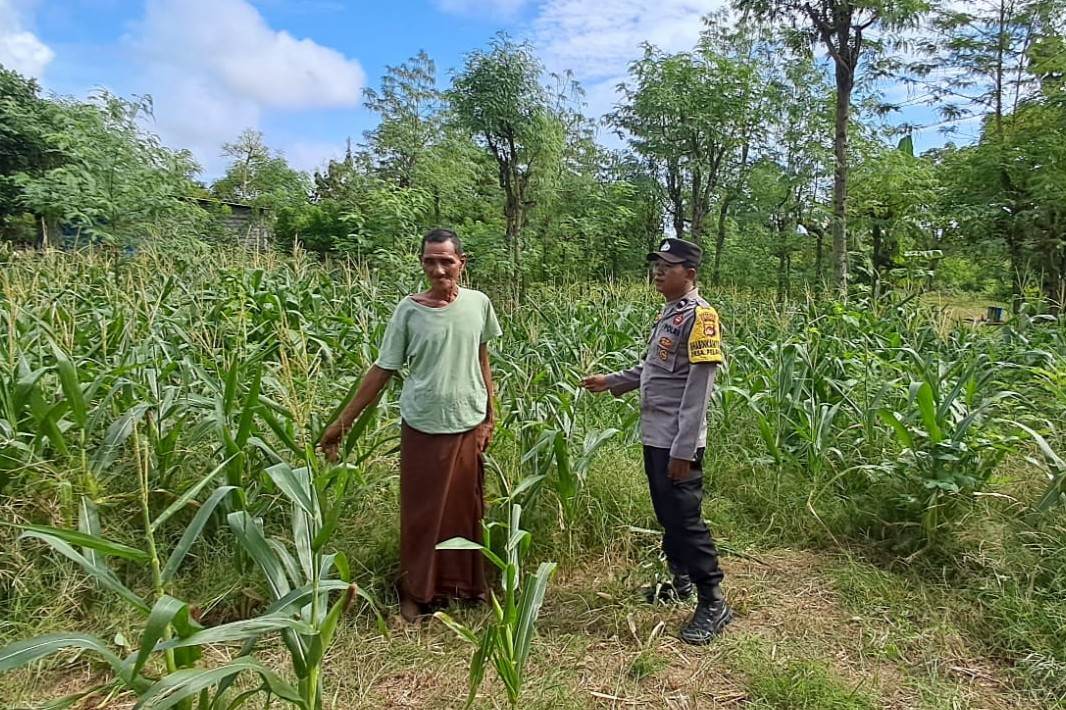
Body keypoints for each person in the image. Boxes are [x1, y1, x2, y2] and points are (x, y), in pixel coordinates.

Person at [319, 228, 501, 622]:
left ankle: (466, 587)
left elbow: (482, 358)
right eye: (430, 261)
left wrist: (490, 415)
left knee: (465, 511)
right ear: (422, 264)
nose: (438, 269)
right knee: (422, 514)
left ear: (461, 263)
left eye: (446, 261)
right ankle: (415, 593)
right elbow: (383, 369)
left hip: (467, 423)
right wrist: (342, 423)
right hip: (423, 426)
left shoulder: (478, 304)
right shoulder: (409, 310)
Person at [582, 237, 731, 645]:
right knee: (667, 515)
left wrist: (684, 451)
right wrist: (611, 382)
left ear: (691, 273)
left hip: (677, 441)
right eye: (657, 264)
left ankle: (712, 600)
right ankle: (680, 580)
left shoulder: (702, 317)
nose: (659, 271)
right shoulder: (672, 314)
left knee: (686, 519)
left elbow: (698, 390)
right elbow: (654, 369)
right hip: (656, 434)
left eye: (669, 265)